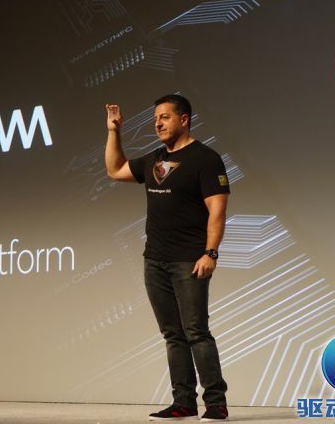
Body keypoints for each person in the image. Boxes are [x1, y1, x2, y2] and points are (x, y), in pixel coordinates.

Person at [104, 94, 230, 422]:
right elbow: (115, 170)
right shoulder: (154, 159)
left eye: (165, 117)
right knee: (173, 334)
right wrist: (114, 131)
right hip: (154, 261)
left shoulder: (206, 159)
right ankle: (183, 402)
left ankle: (216, 403)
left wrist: (210, 253)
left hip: (189, 260)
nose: (158, 123)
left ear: (184, 119)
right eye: (155, 118)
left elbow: (217, 210)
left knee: (196, 331)